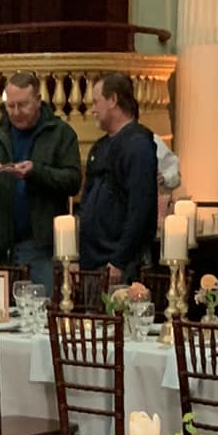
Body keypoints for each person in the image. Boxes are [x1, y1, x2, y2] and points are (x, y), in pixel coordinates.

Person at [0, 71, 81, 297]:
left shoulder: (60, 134)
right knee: (1, 316)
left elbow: (73, 181)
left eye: (23, 105)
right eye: (10, 106)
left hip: (40, 246)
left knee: (40, 315)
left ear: (38, 100)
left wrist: (36, 172)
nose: (16, 112)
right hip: (1, 247)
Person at [77, 72, 158, 285]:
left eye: (96, 102)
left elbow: (139, 209)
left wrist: (120, 260)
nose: (93, 109)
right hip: (93, 261)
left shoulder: (138, 145)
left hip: (119, 264)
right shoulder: (100, 146)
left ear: (113, 100)